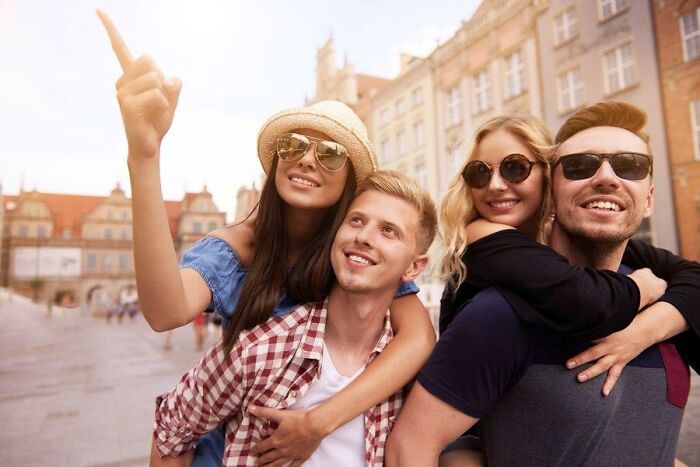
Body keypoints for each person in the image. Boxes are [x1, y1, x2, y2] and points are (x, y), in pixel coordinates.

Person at [97, 11, 436, 466]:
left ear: (352, 185)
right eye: (293, 145)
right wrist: (144, 157)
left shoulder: (355, 251)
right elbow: (164, 311)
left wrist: (319, 422)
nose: (308, 159)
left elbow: (417, 338)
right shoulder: (240, 248)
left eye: (331, 153)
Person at [386, 102, 699, 466]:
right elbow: (411, 446)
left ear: (648, 199)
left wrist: (647, 327)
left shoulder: (667, 292)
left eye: (629, 165)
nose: (606, 178)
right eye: (580, 166)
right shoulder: (499, 308)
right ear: (556, 187)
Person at [151, 171, 437, 466]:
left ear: (414, 267)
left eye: (388, 231)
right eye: (357, 220)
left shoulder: (415, 376)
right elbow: (172, 429)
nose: (364, 237)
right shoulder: (260, 349)